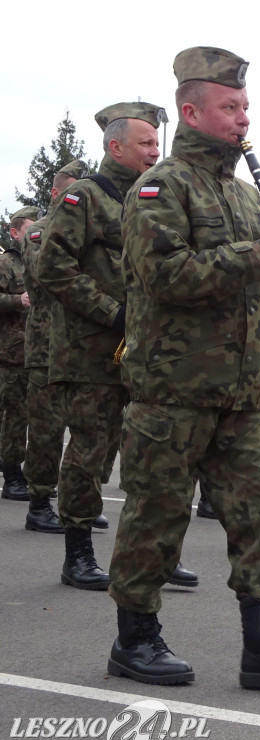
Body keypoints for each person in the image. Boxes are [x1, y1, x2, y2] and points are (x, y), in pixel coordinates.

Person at [107, 46, 260, 688]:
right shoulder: (161, 186)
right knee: (157, 515)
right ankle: (135, 638)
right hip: (174, 388)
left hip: (244, 392)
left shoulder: (243, 194)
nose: (242, 119)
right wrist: (258, 251)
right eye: (229, 107)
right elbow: (163, 275)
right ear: (192, 111)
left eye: (245, 107)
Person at [38, 101, 166, 590]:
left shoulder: (155, 198)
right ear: (115, 146)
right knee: (91, 450)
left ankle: (152, 552)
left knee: (149, 452)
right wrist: (113, 313)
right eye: (145, 143)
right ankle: (78, 553)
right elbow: (53, 269)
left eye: (157, 143)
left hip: (146, 349)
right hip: (92, 349)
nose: (155, 152)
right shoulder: (83, 198)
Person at [21, 161, 90, 532]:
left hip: (83, 347)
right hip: (47, 346)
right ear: (54, 194)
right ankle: (38, 501)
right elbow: (46, 275)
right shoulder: (39, 233)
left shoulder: (89, 230)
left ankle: (79, 503)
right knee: (47, 430)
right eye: (71, 191)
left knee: (87, 430)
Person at [0, 206, 39, 503]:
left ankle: (23, 471)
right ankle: (12, 475)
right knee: (14, 418)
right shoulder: (6, 264)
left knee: (31, 418)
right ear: (15, 233)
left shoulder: (39, 262)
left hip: (38, 352)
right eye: (31, 228)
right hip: (10, 354)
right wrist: (16, 300)